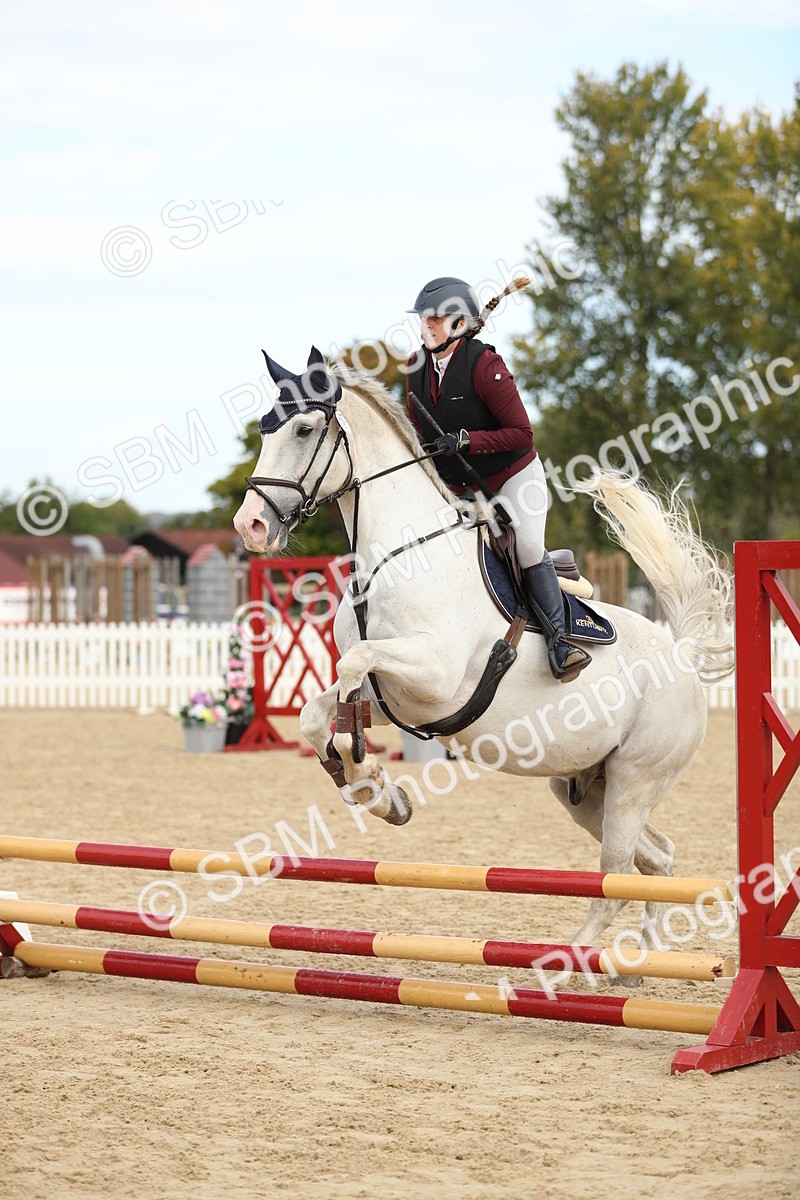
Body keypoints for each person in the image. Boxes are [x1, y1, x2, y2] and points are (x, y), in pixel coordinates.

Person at [405, 275, 591, 683]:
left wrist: (468, 440)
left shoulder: (485, 364)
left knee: (524, 547)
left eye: (436, 317)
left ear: (460, 322)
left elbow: (522, 433)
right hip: (461, 488)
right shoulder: (416, 370)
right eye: (424, 318)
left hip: (513, 477)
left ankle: (560, 645)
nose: (427, 325)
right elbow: (418, 432)